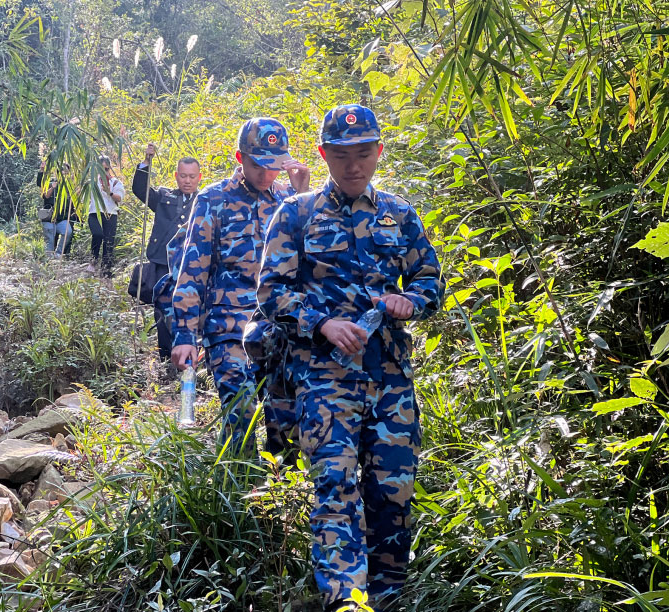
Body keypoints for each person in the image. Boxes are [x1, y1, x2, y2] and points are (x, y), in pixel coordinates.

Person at [256, 105, 444, 611]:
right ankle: (347, 602)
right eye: (341, 155)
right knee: (335, 492)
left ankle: (386, 600)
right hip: (323, 379)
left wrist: (412, 301)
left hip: (389, 377)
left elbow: (430, 279)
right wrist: (322, 322)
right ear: (324, 155)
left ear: (379, 152)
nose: (354, 166)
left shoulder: (400, 215)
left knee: (393, 494)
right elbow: (270, 292)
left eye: (364, 154)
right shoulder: (295, 214)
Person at [171, 117, 310, 453]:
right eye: (258, 165)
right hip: (229, 326)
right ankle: (234, 493)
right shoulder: (213, 200)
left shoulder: (289, 200)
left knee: (287, 422)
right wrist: (186, 334)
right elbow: (193, 267)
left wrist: (302, 195)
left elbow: (310, 263)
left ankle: (279, 498)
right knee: (243, 413)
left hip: (279, 327)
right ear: (240, 158)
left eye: (274, 166)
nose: (266, 175)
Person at [132, 142, 202, 359]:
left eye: (191, 176)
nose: (187, 181)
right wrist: (146, 161)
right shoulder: (164, 197)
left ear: (199, 177)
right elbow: (140, 190)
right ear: (176, 176)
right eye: (183, 176)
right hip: (163, 263)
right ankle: (165, 356)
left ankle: (192, 357)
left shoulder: (205, 202)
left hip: (192, 266)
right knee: (163, 309)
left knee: (191, 309)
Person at [87, 155, 125, 276]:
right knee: (97, 234)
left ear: (110, 168)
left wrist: (110, 192)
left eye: (107, 169)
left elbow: (119, 198)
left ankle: (106, 270)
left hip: (111, 213)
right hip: (95, 213)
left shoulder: (116, 182)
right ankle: (93, 260)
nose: (104, 172)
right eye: (101, 169)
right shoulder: (92, 182)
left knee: (109, 242)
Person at [37, 162, 75, 255]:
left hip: (62, 218)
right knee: (49, 238)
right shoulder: (51, 182)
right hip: (49, 217)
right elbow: (45, 195)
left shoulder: (69, 186)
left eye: (66, 172)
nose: (65, 174)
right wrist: (52, 187)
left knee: (68, 232)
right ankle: (49, 258)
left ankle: (58, 254)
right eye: (63, 171)